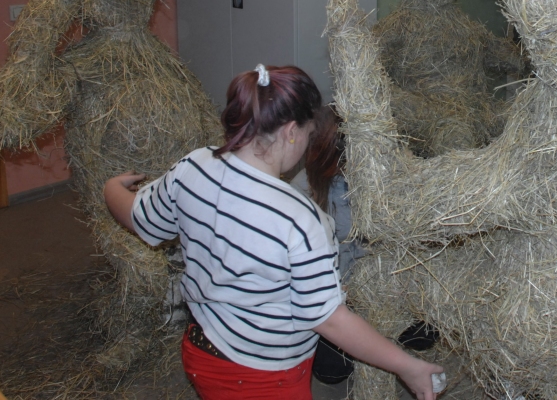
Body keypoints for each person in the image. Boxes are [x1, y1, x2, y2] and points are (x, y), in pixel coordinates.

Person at [103, 64, 443, 400]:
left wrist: (109, 188)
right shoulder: (300, 219)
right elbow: (329, 320)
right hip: (265, 376)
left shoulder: (192, 167)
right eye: (309, 135)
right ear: (291, 131)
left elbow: (137, 217)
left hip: (202, 353)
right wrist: (405, 365)